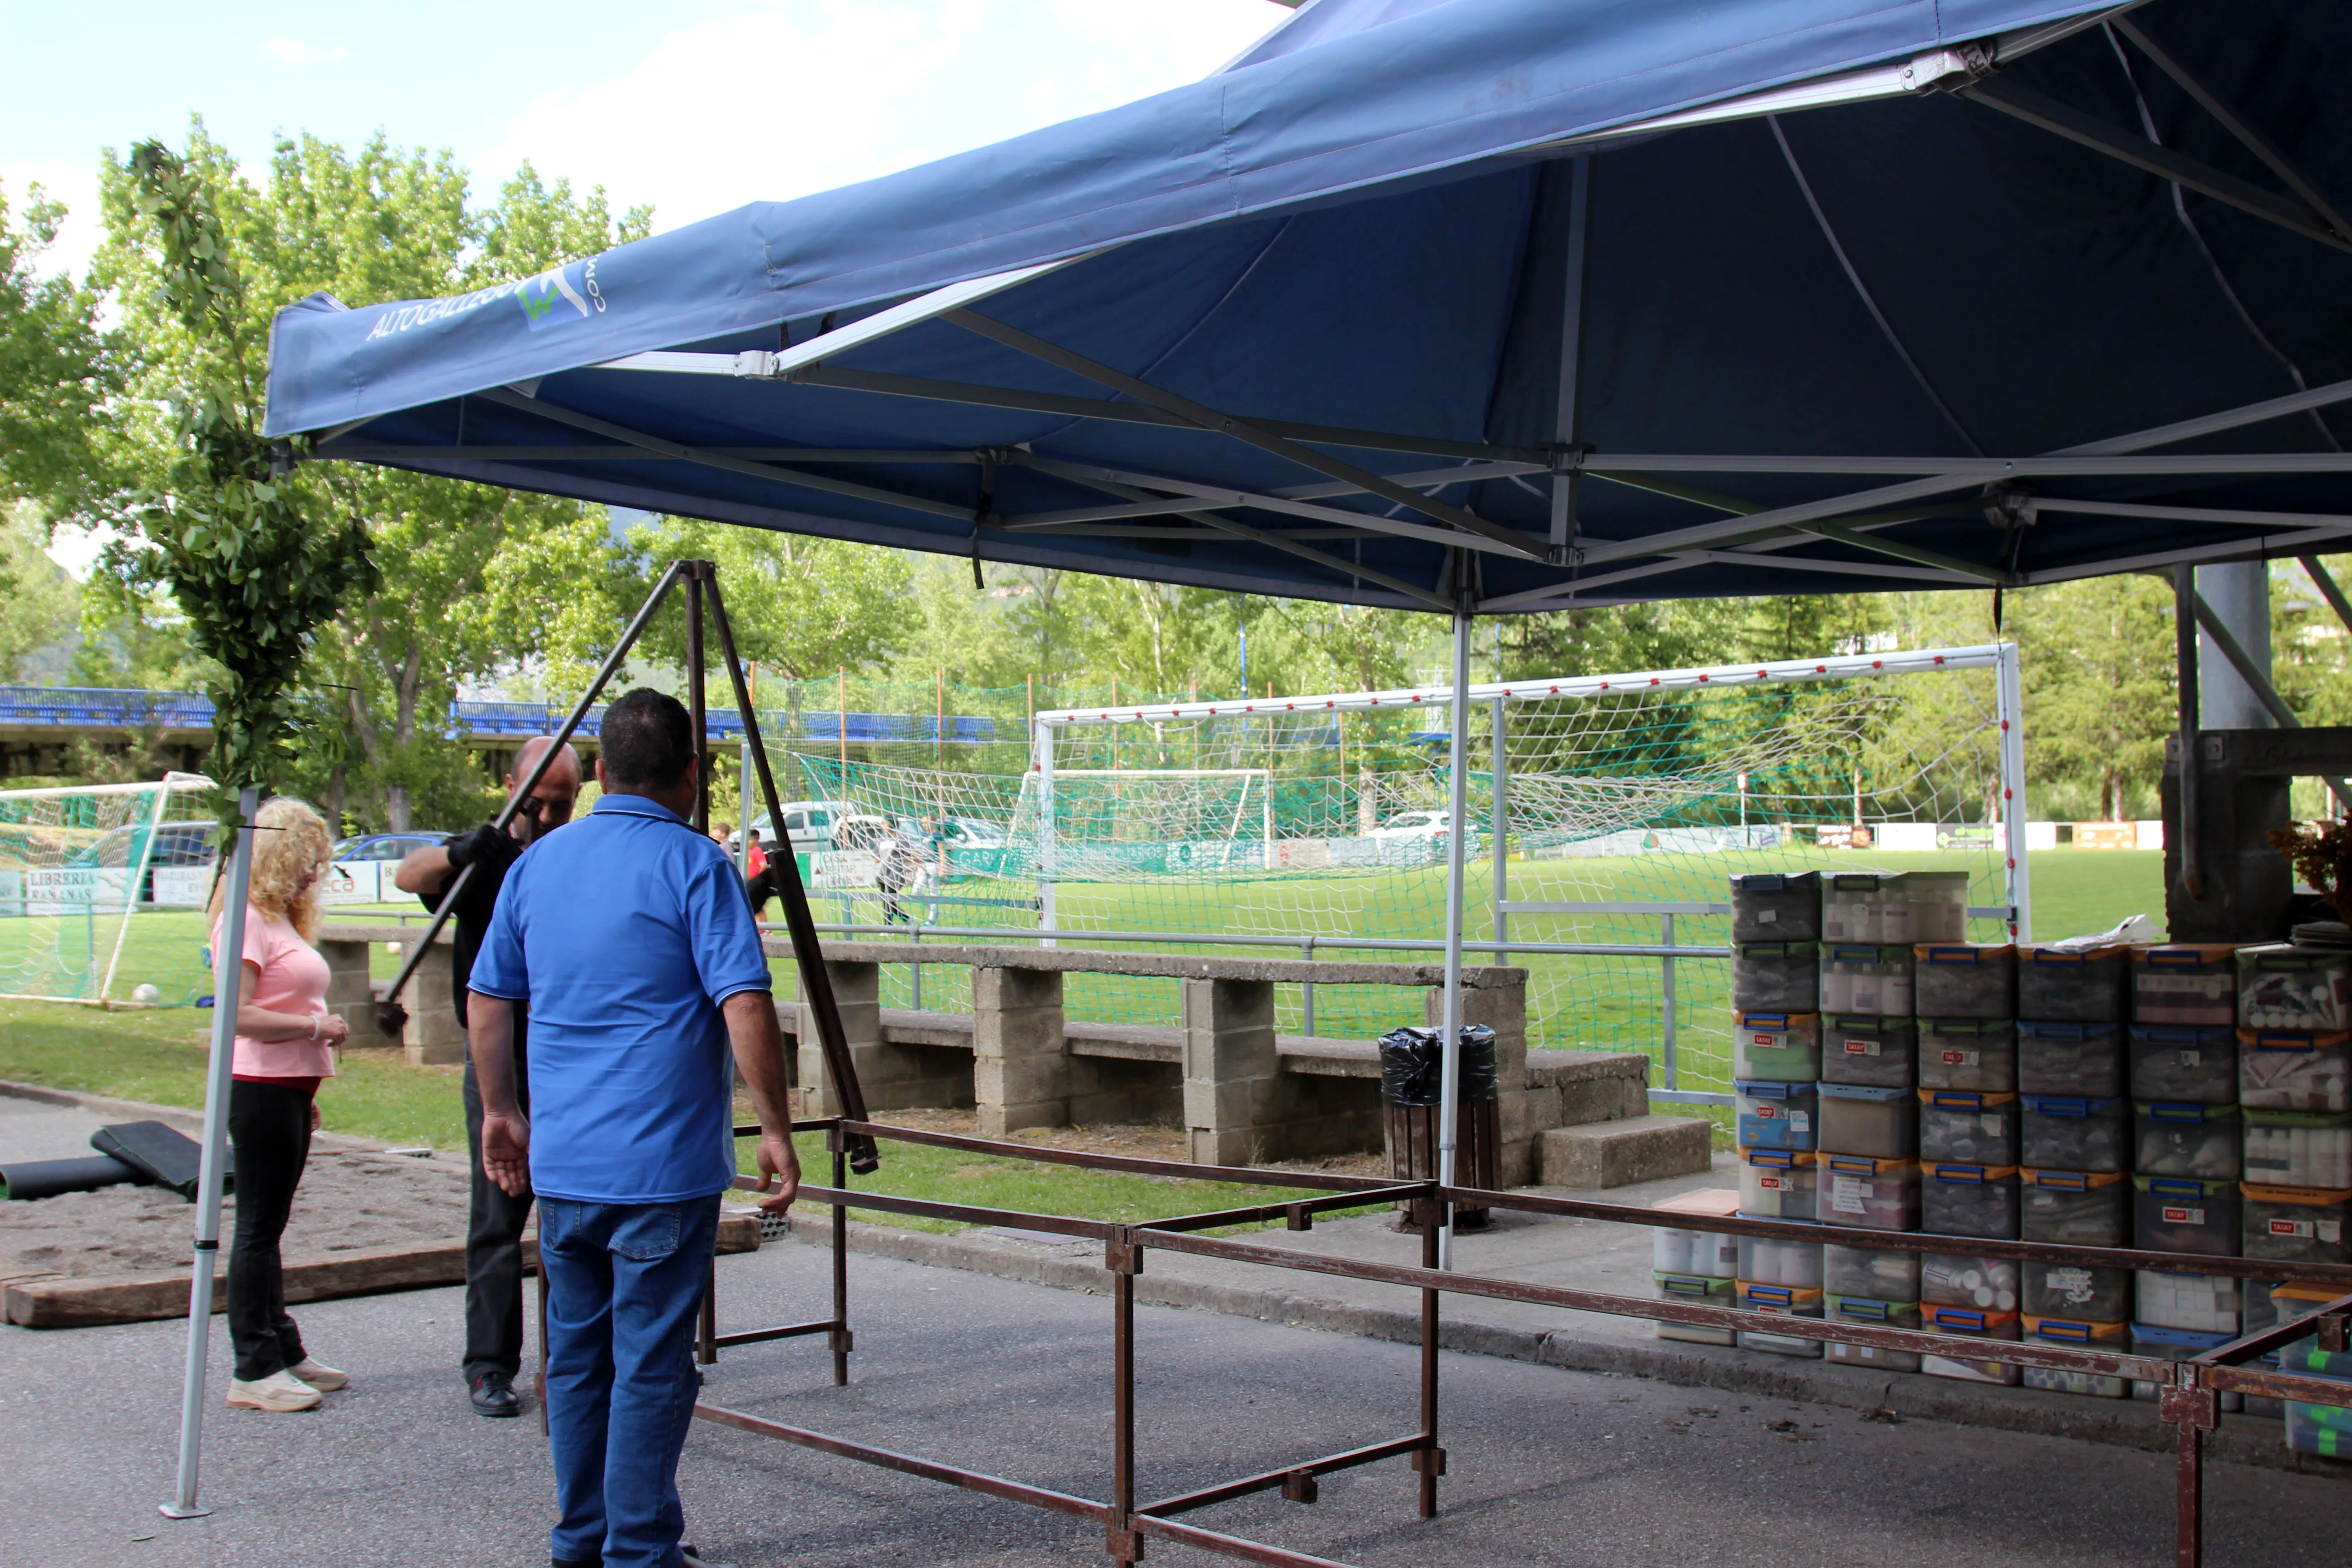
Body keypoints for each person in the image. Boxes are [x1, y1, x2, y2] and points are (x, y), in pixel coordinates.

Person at [467, 689, 799, 1568]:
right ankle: (640, 1550)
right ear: (692, 777)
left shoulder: (536, 866)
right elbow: (744, 1001)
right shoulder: (697, 867)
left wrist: (501, 1113)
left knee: (576, 1362)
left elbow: (490, 996)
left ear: (603, 773)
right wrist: (773, 1126)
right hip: (661, 1171)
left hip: (566, 1169)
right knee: (652, 1365)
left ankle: (582, 1539)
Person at [392, 736, 581, 1418]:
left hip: (565, 1059)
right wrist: (459, 855)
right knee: (498, 1216)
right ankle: (488, 1365)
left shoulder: (571, 856)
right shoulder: (484, 852)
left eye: (562, 805)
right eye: (535, 804)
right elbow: (408, 875)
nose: (547, 817)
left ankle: (575, 1361)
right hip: (498, 1062)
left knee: (574, 1217)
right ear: (510, 787)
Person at [211, 795, 351, 1413]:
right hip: (261, 1085)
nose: (311, 874)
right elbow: (236, 1015)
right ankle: (254, 1365)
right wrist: (315, 1032)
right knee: (258, 1227)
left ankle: (282, 1346)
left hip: (289, 1089)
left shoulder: (274, 919)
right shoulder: (242, 919)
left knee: (271, 1227)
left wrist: (307, 1077)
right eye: (304, 859)